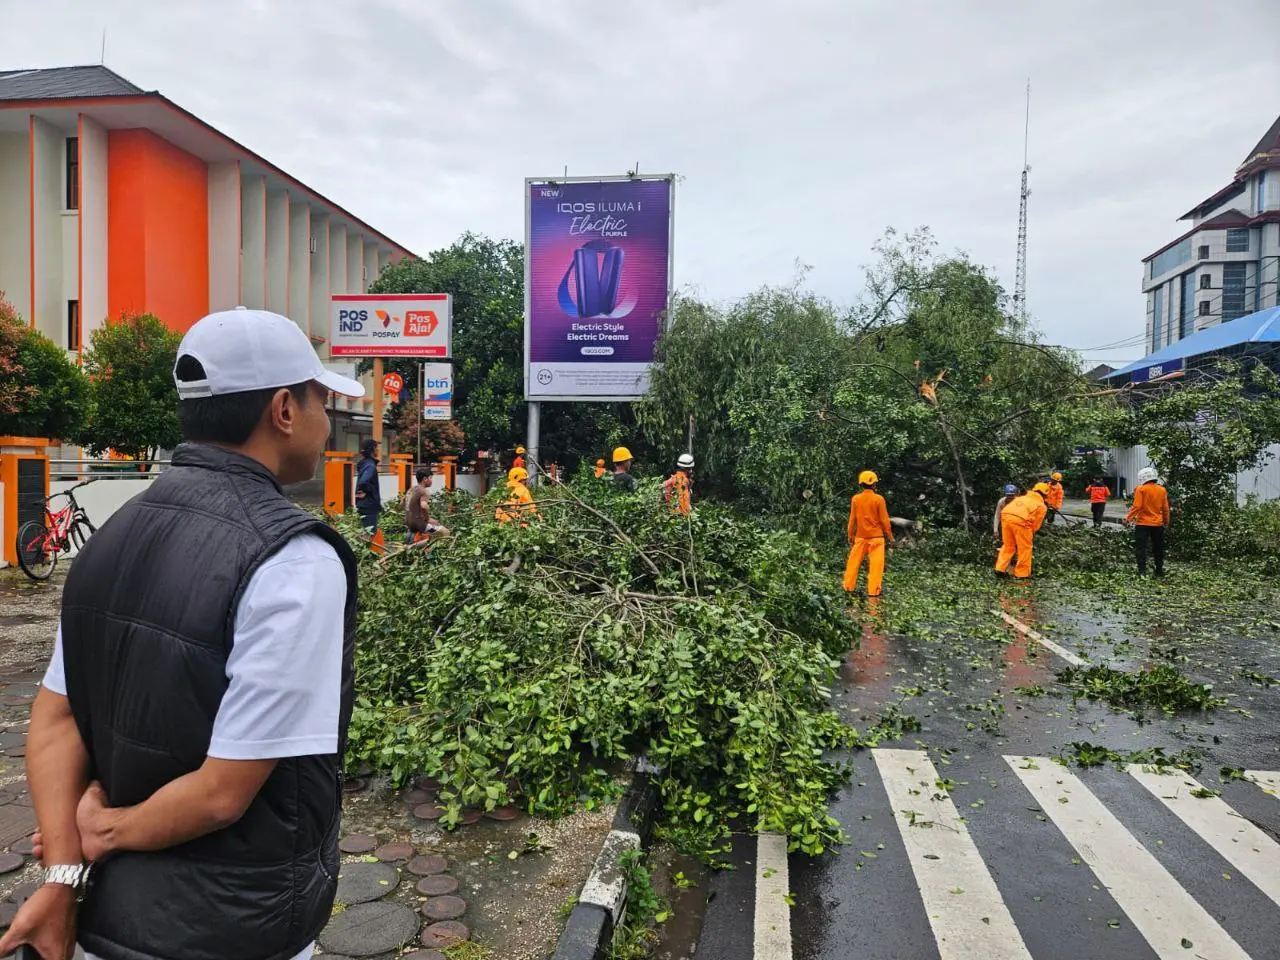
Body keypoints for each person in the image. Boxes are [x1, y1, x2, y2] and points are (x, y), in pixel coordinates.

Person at [0, 308, 365, 960]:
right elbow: (224, 793)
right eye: (320, 400)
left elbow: (54, 721)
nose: (327, 421)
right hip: (233, 926)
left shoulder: (109, 539)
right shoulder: (293, 561)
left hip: (106, 922)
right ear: (283, 409)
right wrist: (105, 834)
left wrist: (62, 876)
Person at [842, 470, 895, 597]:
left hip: (860, 538)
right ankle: (873, 593)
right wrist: (890, 537)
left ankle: (848, 588)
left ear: (861, 484)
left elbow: (852, 519)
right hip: (877, 539)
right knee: (876, 567)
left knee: (853, 563)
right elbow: (884, 521)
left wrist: (850, 535)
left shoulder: (856, 499)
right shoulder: (879, 499)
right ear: (874, 484)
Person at [994, 481, 1050, 579]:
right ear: (1045, 495)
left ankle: (999, 568)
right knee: (1025, 549)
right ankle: (1021, 574)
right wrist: (1028, 535)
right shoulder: (1041, 506)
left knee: (1008, 545)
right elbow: (1035, 526)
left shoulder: (1021, 498)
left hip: (1006, 516)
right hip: (1022, 521)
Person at [1125, 466, 1170, 576]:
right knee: (1158, 548)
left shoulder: (1141, 489)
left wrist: (1128, 519)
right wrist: (1166, 521)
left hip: (1143, 524)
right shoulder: (1162, 490)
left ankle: (1142, 572)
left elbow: (1137, 506)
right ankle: (1159, 571)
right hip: (1158, 524)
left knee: (1141, 548)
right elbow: (1165, 508)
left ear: (1142, 478)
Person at [405, 465, 450, 542]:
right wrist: (427, 519)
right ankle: (440, 551)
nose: (431, 480)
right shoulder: (423, 491)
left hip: (408, 523)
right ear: (425, 479)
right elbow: (423, 506)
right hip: (419, 525)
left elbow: (403, 503)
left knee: (433, 529)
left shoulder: (411, 490)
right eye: (430, 478)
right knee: (445, 532)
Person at [355, 437, 382, 533]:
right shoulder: (370, 466)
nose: (378, 450)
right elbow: (363, 482)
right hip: (369, 505)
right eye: (376, 448)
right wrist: (371, 492)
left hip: (364, 504)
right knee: (369, 534)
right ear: (372, 449)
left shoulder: (365, 464)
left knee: (366, 532)